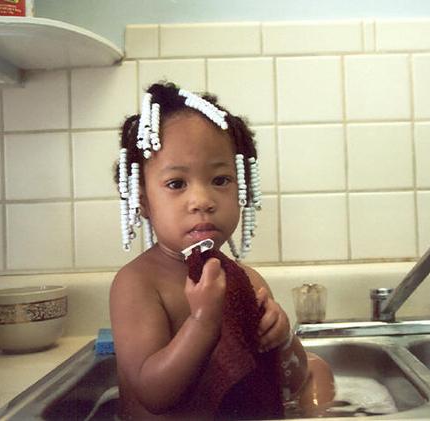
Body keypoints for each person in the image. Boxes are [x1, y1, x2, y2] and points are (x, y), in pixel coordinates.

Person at [110, 82, 332, 420]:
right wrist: (202, 321)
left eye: (220, 180)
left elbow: (293, 381)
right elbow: (154, 393)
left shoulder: (246, 279)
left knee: (319, 370)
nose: (203, 200)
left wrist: (283, 337)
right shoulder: (137, 284)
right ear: (142, 200)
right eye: (176, 184)